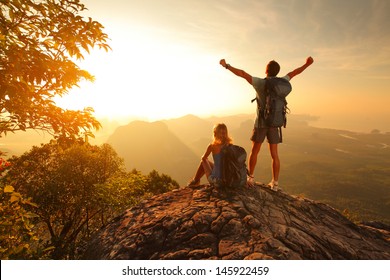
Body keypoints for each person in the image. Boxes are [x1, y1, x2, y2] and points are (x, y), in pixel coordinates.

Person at [219, 56, 314, 190]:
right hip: (275, 123)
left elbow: (242, 74)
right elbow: (294, 72)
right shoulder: (282, 82)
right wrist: (307, 64)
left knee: (255, 151)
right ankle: (275, 183)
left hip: (261, 123)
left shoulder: (260, 83)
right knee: (274, 154)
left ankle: (250, 178)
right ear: (277, 71)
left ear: (266, 70)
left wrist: (226, 65)